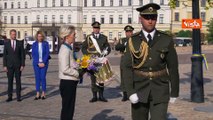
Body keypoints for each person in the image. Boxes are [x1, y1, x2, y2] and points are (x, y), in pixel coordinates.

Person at [123, 3, 179, 120]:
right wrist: (130, 91)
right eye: (146, 17)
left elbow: (173, 67)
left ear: (156, 19)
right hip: (139, 88)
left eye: (153, 18)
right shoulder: (133, 41)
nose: (150, 21)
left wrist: (174, 91)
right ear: (140, 19)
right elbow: (126, 68)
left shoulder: (166, 39)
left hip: (160, 89)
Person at [81, 21, 111, 102]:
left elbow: (108, 48)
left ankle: (101, 96)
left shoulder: (104, 38)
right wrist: (88, 56)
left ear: (99, 29)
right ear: (93, 29)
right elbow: (83, 48)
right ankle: (94, 96)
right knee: (93, 79)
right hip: (92, 62)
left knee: (101, 79)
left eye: (97, 28)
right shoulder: (88, 38)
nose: (96, 29)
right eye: (95, 28)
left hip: (100, 61)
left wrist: (105, 54)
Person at [58, 25, 79, 120]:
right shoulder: (65, 50)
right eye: (73, 35)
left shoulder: (68, 48)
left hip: (70, 81)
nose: (75, 37)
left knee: (69, 109)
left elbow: (71, 64)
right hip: (67, 82)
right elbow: (65, 69)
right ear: (67, 36)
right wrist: (78, 73)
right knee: (67, 109)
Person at [3, 29, 25, 102]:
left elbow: (22, 55)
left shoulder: (19, 43)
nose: (14, 35)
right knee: (10, 81)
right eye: (12, 34)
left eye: (15, 34)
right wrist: (4, 65)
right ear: (10, 35)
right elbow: (5, 55)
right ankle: (10, 96)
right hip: (9, 66)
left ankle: (19, 96)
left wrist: (22, 64)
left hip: (18, 65)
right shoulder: (7, 43)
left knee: (18, 81)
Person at [115, 25, 134, 102]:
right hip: (124, 60)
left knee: (132, 77)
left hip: (133, 60)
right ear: (125, 33)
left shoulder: (135, 40)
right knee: (124, 77)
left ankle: (131, 94)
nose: (129, 33)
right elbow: (117, 47)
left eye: (130, 32)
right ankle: (125, 94)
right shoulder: (122, 40)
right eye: (127, 32)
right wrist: (124, 44)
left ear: (132, 32)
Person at [32, 31, 50, 100]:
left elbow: (47, 53)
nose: (40, 37)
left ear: (43, 37)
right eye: (39, 36)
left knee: (43, 77)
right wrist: (37, 62)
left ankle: (43, 93)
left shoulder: (46, 44)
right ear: (37, 37)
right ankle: (37, 93)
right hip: (36, 64)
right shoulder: (34, 44)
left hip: (44, 64)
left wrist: (43, 62)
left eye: (41, 36)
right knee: (37, 78)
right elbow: (33, 54)